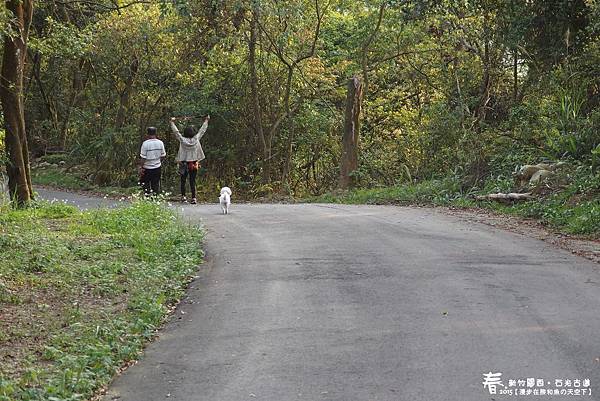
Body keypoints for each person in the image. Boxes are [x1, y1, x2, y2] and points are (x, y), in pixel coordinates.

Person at [170, 115, 210, 204]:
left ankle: (184, 197)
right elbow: (202, 130)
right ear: (193, 133)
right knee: (192, 180)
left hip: (184, 163)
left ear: (185, 132)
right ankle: (193, 198)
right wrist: (206, 120)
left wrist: (172, 122)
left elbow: (176, 132)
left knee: (183, 181)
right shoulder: (196, 139)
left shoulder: (182, 140)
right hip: (194, 163)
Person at [139, 126, 166, 196]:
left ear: (147, 134)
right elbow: (163, 155)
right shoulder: (160, 143)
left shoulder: (145, 144)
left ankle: (147, 199)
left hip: (147, 168)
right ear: (155, 133)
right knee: (156, 185)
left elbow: (143, 158)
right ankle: (155, 199)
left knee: (145, 185)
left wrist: (141, 167)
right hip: (157, 167)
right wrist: (159, 161)